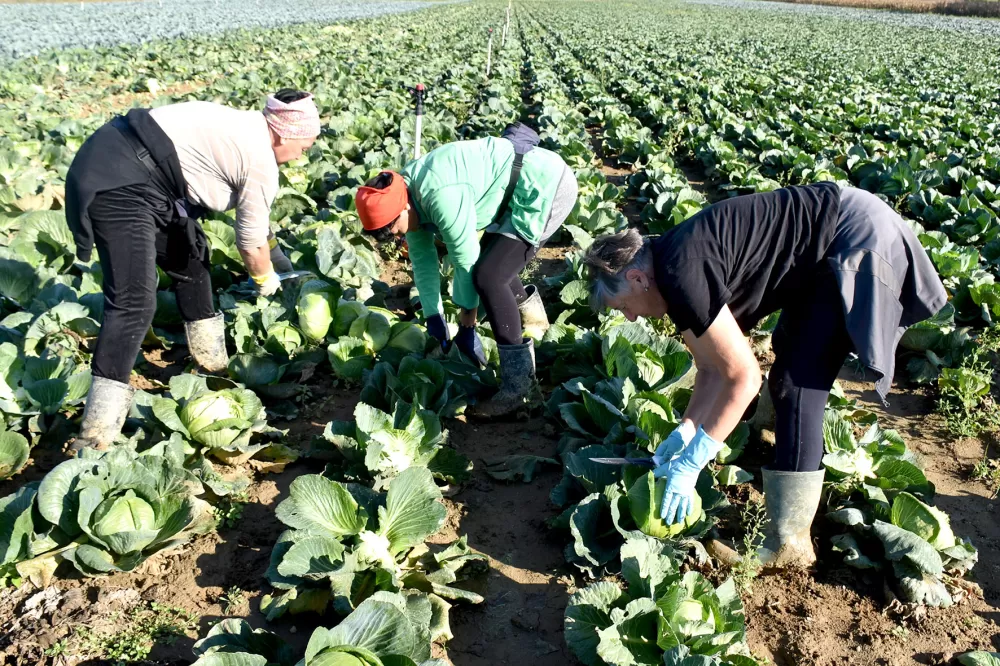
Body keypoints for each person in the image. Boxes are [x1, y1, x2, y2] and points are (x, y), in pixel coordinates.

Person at [583, 182, 947, 567]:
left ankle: (789, 543)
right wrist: (687, 428)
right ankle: (781, 444)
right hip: (825, 244)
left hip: (854, 236)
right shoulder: (668, 268)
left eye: (622, 306)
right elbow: (711, 366)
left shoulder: (681, 273)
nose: (630, 317)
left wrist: (692, 464)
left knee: (797, 385)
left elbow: (744, 378)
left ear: (637, 279)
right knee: (789, 350)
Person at [64, 89, 321, 450]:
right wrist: (268, 286)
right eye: (305, 147)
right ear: (285, 134)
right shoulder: (260, 158)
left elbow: (259, 228)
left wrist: (284, 268)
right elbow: (249, 245)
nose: (300, 157)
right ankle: (96, 432)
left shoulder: (250, 130)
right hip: (118, 178)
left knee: (193, 260)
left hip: (149, 180)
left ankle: (214, 368)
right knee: (134, 301)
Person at [354, 134, 578, 417]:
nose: (397, 236)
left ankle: (519, 387)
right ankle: (534, 321)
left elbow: (465, 261)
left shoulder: (438, 195)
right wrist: (434, 317)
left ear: (404, 208)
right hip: (513, 192)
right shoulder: (405, 192)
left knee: (489, 276)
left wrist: (467, 327)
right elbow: (423, 262)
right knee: (495, 264)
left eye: (395, 229)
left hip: (544, 188)